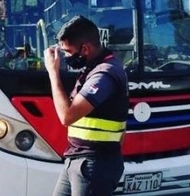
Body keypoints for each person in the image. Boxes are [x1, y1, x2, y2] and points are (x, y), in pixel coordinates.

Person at [44, 16, 129, 196]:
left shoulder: (105, 74)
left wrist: (53, 73)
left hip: (94, 164)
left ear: (85, 48)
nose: (66, 58)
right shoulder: (91, 70)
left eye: (68, 52)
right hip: (76, 159)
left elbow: (67, 116)